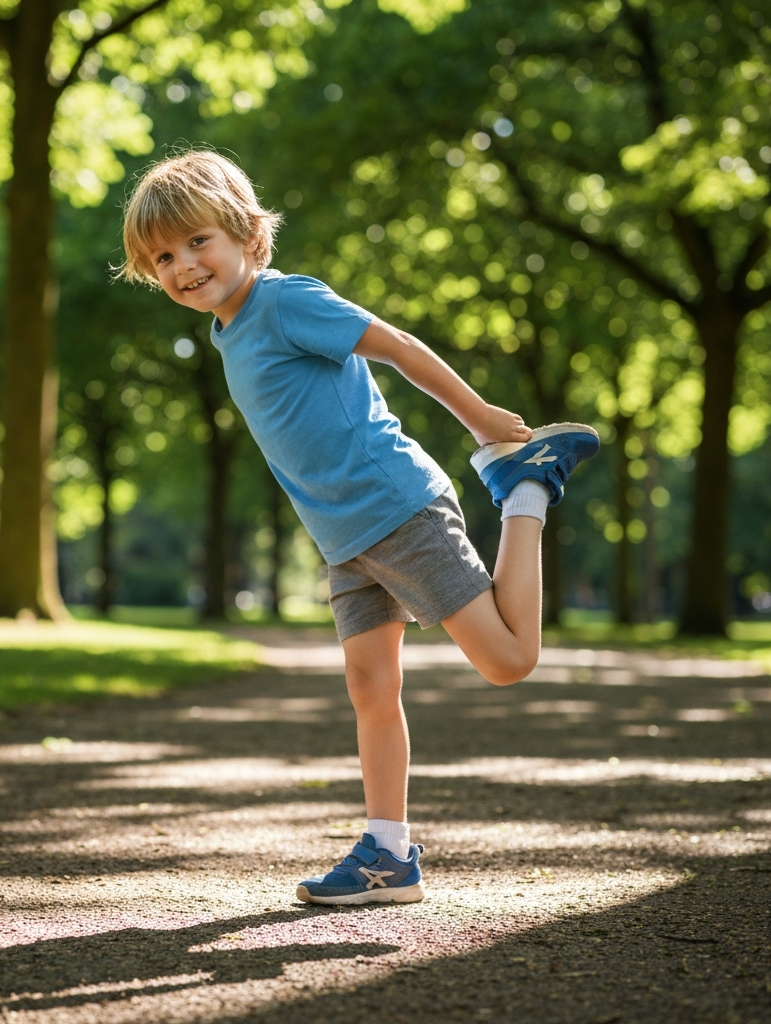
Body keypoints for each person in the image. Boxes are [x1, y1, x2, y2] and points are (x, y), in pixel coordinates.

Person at [118, 150, 599, 906]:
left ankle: (526, 487)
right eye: (163, 257)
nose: (183, 265)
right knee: (370, 683)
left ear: (246, 232)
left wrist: (481, 424)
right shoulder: (227, 333)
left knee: (508, 661)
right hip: (346, 540)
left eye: (197, 241)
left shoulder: (285, 302)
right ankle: (388, 854)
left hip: (395, 508)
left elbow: (397, 346)